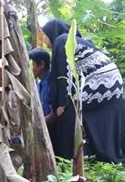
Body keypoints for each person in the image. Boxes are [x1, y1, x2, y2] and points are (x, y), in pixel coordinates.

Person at [42, 18, 124, 163]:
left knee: (69, 113)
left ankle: (69, 158)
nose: (43, 38)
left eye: (44, 34)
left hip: (100, 81)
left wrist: (62, 102)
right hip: (114, 82)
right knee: (86, 115)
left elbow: (63, 73)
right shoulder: (77, 40)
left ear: (51, 32)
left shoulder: (62, 40)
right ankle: (96, 155)